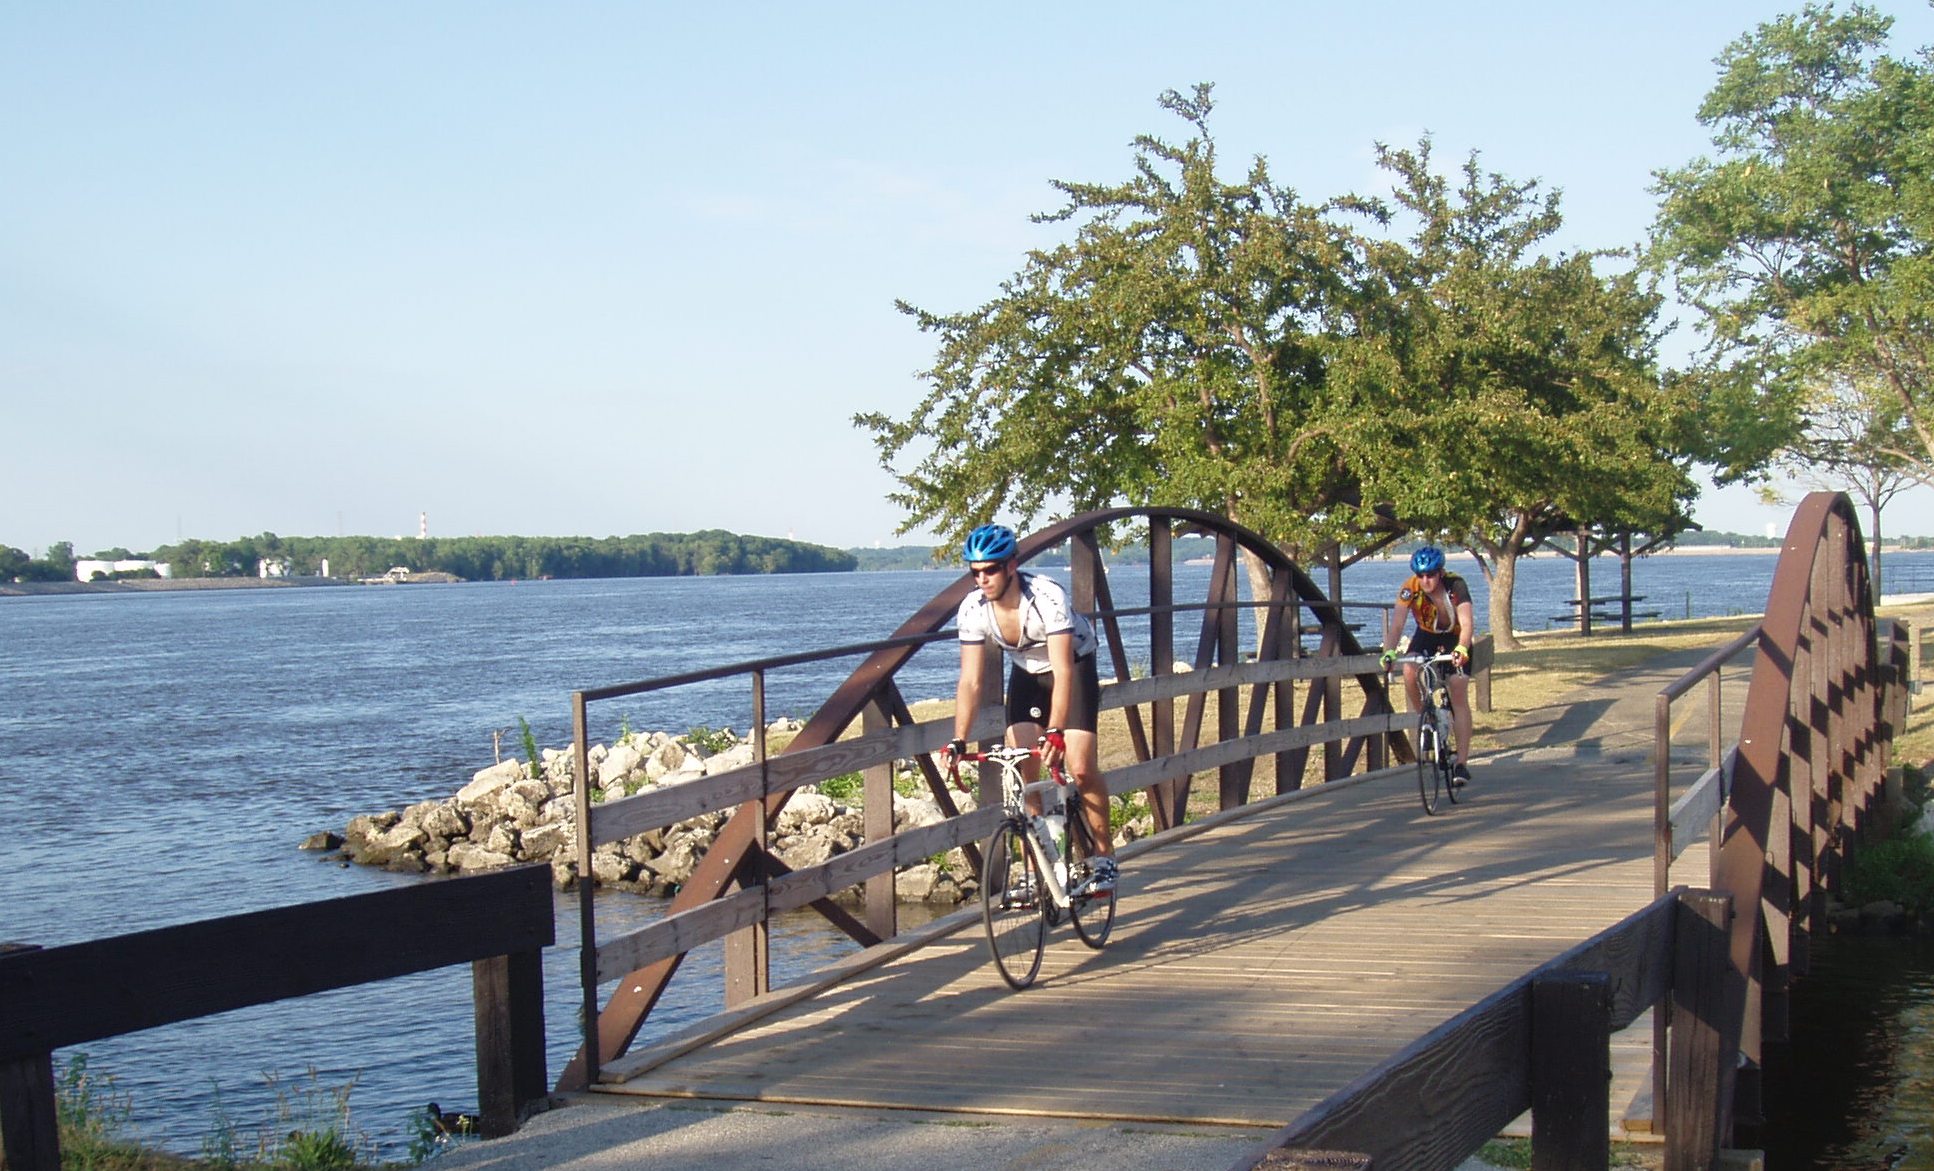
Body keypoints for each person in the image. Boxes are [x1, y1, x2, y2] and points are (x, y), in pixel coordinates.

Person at [939, 523, 1117, 894]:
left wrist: (1055, 730)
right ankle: (1037, 875)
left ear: (1011, 566)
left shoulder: (1045, 596)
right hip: (1027, 675)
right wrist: (958, 739)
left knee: (1081, 768)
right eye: (975, 572)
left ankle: (1104, 857)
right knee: (1023, 772)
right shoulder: (973, 608)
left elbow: (1064, 669)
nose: (982, 579)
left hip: (1073, 666)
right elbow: (970, 680)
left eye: (990, 569)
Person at [1379, 545, 1477, 787]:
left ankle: (1462, 763)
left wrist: (1462, 648)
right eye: (1421, 576)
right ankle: (1427, 719)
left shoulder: (1456, 586)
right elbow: (1397, 626)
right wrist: (1389, 652)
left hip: (1455, 637)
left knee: (1457, 688)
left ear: (1440, 573)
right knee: (1410, 670)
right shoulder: (1409, 588)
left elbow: (1466, 623)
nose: (1425, 580)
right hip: (1427, 635)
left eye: (1431, 575)